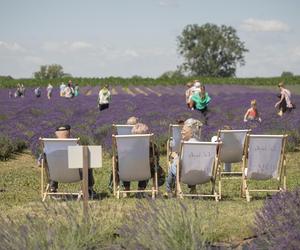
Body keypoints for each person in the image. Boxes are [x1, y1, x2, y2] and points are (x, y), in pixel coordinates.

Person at [46, 125, 96, 198]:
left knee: (51, 165)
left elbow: (40, 163)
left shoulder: (48, 148)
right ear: (69, 133)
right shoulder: (75, 146)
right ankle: (89, 188)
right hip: (74, 176)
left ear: (56, 134)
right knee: (88, 164)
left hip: (55, 176)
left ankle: (52, 189)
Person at [121, 123, 165, 198]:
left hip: (128, 173)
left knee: (124, 166)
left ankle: (126, 189)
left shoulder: (126, 147)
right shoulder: (152, 147)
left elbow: (120, 161)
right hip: (145, 173)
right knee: (150, 167)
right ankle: (141, 190)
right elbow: (156, 162)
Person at [165, 118, 202, 197]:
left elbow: (180, 163)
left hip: (185, 175)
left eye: (184, 131)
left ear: (191, 133)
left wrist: (175, 156)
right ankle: (193, 189)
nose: (181, 132)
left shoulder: (186, 145)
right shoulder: (202, 145)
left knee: (172, 167)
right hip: (201, 174)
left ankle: (169, 190)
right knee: (192, 166)